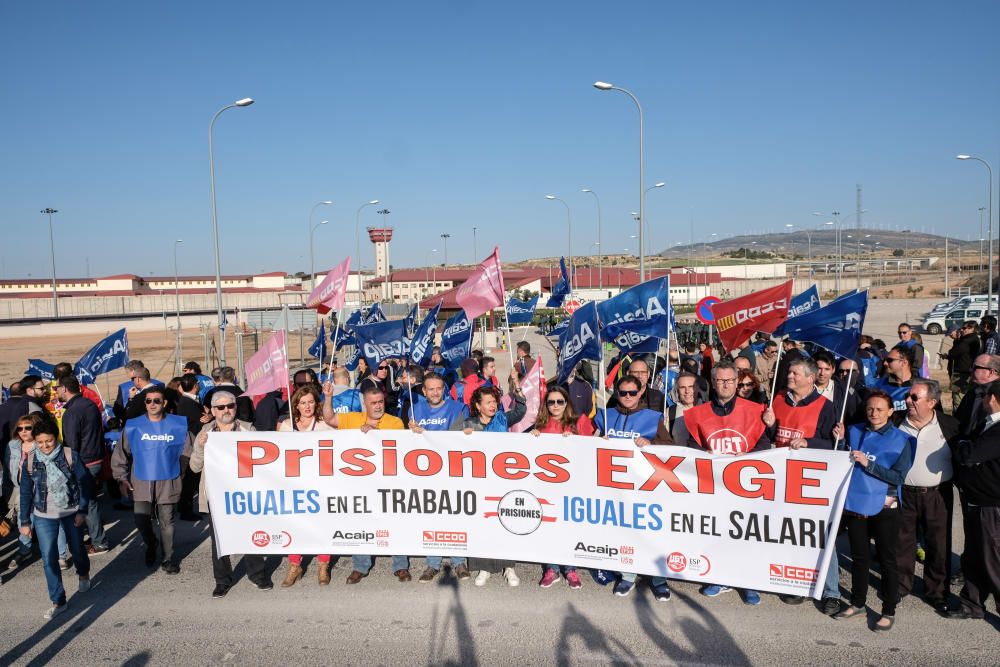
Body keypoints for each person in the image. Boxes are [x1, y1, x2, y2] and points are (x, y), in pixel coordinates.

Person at [685, 360, 769, 605]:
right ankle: (720, 576)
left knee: (746, 536)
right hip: (715, 485)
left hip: (746, 484)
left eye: (730, 380)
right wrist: (704, 456)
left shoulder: (754, 410)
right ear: (713, 382)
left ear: (736, 382)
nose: (725, 384)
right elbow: (693, 447)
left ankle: (748, 583)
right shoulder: (699, 413)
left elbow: (764, 446)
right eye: (720, 380)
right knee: (719, 534)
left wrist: (750, 457)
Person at [761, 357, 840, 609]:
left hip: (813, 482)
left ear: (810, 377)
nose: (790, 376)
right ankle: (794, 584)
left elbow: (835, 446)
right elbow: (773, 437)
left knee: (821, 536)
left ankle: (831, 591)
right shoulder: (779, 400)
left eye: (795, 374)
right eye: (789, 373)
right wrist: (770, 424)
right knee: (790, 533)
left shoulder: (825, 406)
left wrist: (810, 442)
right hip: (783, 478)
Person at [834, 390, 913, 631]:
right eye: (870, 409)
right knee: (859, 557)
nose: (874, 413)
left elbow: (898, 477)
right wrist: (839, 440)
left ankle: (889, 610)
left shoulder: (903, 440)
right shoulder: (855, 430)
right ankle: (857, 602)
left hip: (885, 505)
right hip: (856, 503)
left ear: (891, 411)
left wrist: (870, 464)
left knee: (887, 560)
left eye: (880, 409)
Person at [593, 375, 669, 599]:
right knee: (624, 534)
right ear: (617, 393)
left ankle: (658, 579)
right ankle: (628, 576)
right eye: (623, 392)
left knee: (652, 534)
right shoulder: (605, 417)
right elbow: (586, 443)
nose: (627, 397)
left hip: (647, 486)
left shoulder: (653, 418)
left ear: (640, 393)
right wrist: (599, 440)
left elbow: (671, 446)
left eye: (632, 393)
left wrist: (652, 443)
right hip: (616, 487)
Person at [190, 390, 272, 597]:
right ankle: (222, 580)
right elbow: (194, 467)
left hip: (243, 494)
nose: (226, 410)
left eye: (230, 406)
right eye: (221, 407)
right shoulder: (205, 433)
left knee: (250, 534)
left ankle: (257, 575)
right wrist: (200, 447)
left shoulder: (248, 430)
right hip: (216, 497)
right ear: (213, 411)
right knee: (219, 541)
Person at [327, 385, 410, 584]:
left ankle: (400, 566)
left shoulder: (395, 422)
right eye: (373, 403)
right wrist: (328, 397)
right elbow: (329, 419)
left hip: (387, 482)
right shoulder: (352, 418)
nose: (378, 406)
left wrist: (374, 434)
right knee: (360, 522)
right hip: (358, 484)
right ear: (364, 404)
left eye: (380, 402)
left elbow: (399, 447)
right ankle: (360, 567)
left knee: (393, 522)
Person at [111, 385, 193, 574]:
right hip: (141, 482)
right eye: (149, 401)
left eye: (157, 400)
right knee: (141, 520)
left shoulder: (178, 425)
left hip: (169, 481)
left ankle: (168, 558)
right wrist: (121, 479)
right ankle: (151, 543)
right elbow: (120, 454)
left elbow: (191, 450)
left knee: (168, 523)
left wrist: (183, 470)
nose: (152, 404)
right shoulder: (134, 426)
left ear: (164, 403)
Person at [452, 384, 526, 587]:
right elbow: (448, 440)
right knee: (482, 523)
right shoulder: (468, 423)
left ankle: (508, 566)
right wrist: (461, 436)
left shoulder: (502, 418)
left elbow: (521, 411)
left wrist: (517, 389)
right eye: (488, 402)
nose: (493, 405)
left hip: (502, 479)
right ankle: (484, 567)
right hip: (478, 481)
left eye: (494, 401)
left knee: (503, 521)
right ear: (478, 405)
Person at [893, 379, 956, 613]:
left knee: (938, 544)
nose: (908, 400)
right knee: (902, 542)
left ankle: (937, 592)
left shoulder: (949, 425)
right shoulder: (896, 421)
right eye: (909, 396)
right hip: (904, 494)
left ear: (932, 402)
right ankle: (900, 585)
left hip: (937, 495)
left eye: (915, 397)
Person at [18, 421, 92, 620]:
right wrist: (25, 522)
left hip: (71, 511)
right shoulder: (31, 460)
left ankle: (83, 573)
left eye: (49, 441)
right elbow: (25, 492)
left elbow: (85, 484)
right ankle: (58, 601)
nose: (45, 446)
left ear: (56, 438)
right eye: (40, 442)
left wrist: (82, 510)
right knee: (49, 558)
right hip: (43, 515)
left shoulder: (69, 455)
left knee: (77, 549)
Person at [408, 372, 470, 583]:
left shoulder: (458, 408)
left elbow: (459, 435)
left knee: (455, 516)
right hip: (426, 474)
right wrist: (412, 432)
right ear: (423, 391)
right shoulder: (415, 409)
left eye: (438, 388)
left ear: (444, 388)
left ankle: (459, 561)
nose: (435, 392)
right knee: (431, 517)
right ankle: (432, 564)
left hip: (452, 471)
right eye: (430, 389)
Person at [530, 385, 593, 590]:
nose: (555, 406)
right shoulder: (539, 426)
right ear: (546, 405)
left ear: (566, 403)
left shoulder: (579, 422)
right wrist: (532, 438)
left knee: (569, 527)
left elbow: (592, 449)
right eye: (551, 402)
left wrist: (582, 440)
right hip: (547, 487)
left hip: (573, 486)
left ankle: (570, 569)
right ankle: (552, 568)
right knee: (550, 527)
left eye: (560, 401)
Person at [947, 381, 1000, 621]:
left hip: (991, 504)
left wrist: (960, 445)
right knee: (974, 555)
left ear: (993, 398)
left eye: (985, 396)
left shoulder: (998, 429)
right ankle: (972, 603)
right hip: (975, 499)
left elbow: (970, 454)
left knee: (993, 558)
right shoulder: (987, 424)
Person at [277, 385, 334, 586]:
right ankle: (295, 565)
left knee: (321, 524)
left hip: (320, 483)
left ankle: (323, 565)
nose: (307, 406)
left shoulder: (324, 425)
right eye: (303, 403)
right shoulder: (286, 425)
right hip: (294, 483)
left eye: (310, 402)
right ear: (296, 405)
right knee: (295, 523)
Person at [5, 413, 69, 569]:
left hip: (43, 487)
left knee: (55, 521)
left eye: (28, 428)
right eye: (20, 428)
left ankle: (61, 555)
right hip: (21, 489)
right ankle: (24, 550)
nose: (23, 431)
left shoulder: (41, 444)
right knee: (24, 520)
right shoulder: (12, 445)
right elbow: (8, 469)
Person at [56, 375, 110, 555]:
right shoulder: (90, 405)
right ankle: (97, 537)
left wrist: (69, 467)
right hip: (96, 458)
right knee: (90, 500)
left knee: (87, 503)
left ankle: (99, 542)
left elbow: (71, 444)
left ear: (64, 389)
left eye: (57, 388)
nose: (56, 391)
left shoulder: (72, 412)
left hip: (84, 462)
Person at [940, 321, 981, 409]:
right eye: (962, 328)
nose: (962, 330)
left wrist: (957, 341)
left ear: (972, 329)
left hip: (961, 374)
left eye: (964, 328)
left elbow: (953, 352)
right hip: (964, 372)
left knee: (958, 399)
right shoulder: (972, 339)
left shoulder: (966, 341)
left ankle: (957, 419)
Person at [658, 372, 702, 445]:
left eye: (691, 387)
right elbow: (663, 441)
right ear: (678, 390)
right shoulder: (669, 412)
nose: (687, 391)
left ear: (697, 388)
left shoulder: (710, 409)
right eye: (682, 387)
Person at [875, 345, 917, 413]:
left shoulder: (923, 386)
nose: (885, 363)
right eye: (885, 360)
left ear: (904, 363)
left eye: (889, 360)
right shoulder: (879, 385)